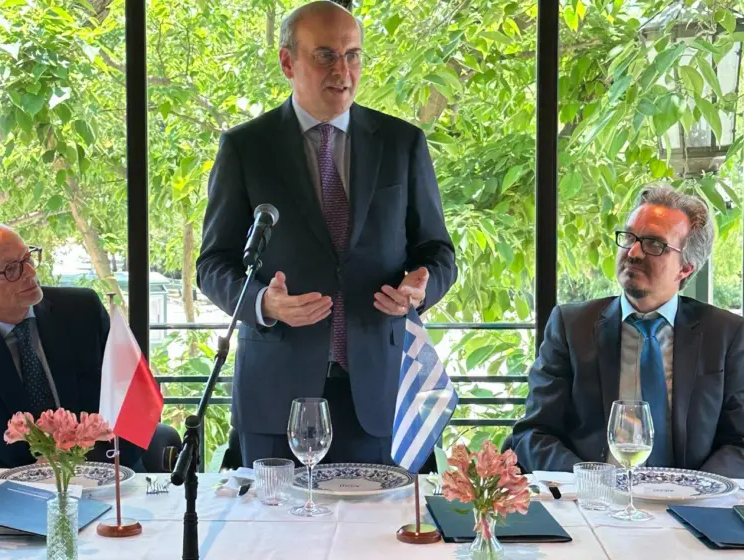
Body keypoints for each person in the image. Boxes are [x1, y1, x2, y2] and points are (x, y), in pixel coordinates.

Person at [196, 1, 457, 467]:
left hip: (379, 394)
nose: (343, 71)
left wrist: (423, 285)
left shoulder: (401, 143)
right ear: (287, 62)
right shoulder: (245, 147)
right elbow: (213, 264)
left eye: (352, 55)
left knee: (379, 516)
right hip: (276, 395)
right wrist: (263, 303)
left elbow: (437, 251)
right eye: (325, 55)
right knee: (273, 517)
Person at [511, 185, 744, 478]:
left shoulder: (725, 334)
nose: (633, 252)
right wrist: (593, 482)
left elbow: (739, 441)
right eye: (630, 238)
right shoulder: (572, 326)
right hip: (593, 497)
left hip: (689, 499)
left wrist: (695, 489)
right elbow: (534, 433)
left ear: (685, 268)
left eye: (654, 244)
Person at [0, 222, 152, 472]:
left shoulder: (83, 311)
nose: (30, 273)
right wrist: (28, 475)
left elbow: (136, 400)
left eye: (28, 258)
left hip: (109, 476)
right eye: (11, 269)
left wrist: (85, 467)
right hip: (7, 489)